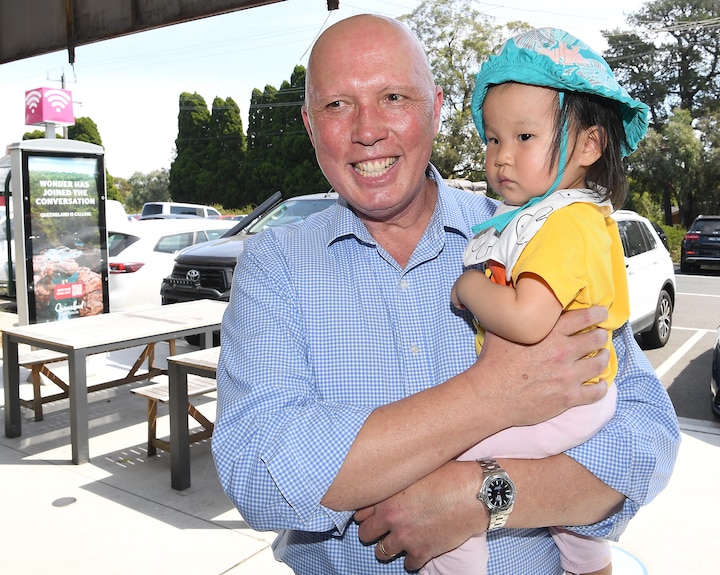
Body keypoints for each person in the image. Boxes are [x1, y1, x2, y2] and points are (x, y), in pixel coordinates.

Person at [212, 14, 680, 575]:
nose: (367, 129)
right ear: (311, 127)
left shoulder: (527, 236)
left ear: (434, 108)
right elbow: (258, 475)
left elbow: (646, 435)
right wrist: (492, 393)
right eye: (337, 105)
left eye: (392, 97)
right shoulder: (274, 268)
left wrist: (482, 498)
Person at [436, 27, 649, 575]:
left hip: (564, 402)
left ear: (589, 145)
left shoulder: (562, 224)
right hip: (584, 398)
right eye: (492, 139)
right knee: (570, 522)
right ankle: (590, 562)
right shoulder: (565, 215)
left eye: (524, 137)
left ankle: (457, 565)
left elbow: (529, 321)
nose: (502, 157)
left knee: (449, 462)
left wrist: (469, 288)